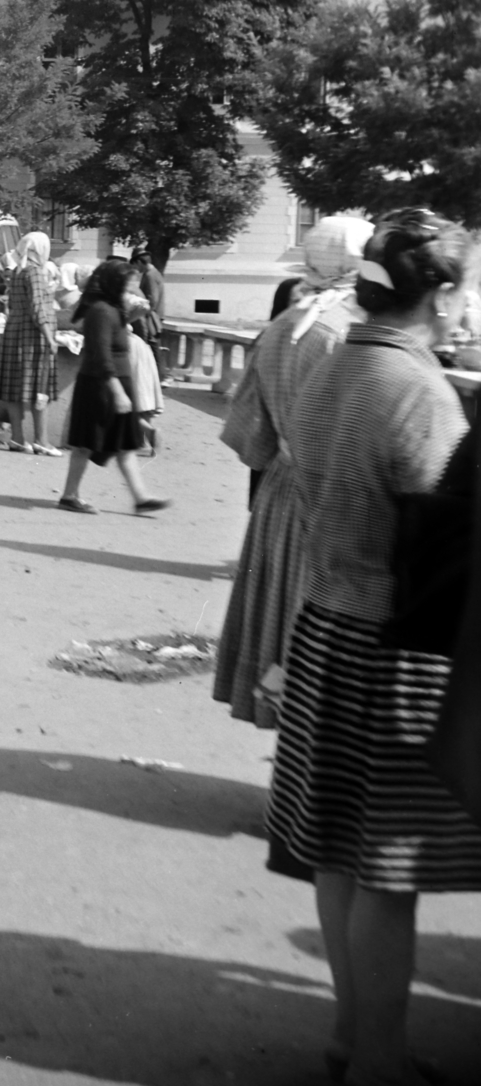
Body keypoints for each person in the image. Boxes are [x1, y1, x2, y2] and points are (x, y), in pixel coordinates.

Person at [266, 210, 479, 1084]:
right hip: (393, 647)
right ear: (437, 292)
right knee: (387, 869)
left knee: (335, 853)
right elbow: (442, 537)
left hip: (322, 626)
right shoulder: (419, 393)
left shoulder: (333, 368)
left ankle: (354, 1034)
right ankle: (381, 1059)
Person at [212, 214, 374, 726]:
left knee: (282, 626)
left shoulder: (286, 324)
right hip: (328, 498)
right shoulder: (351, 335)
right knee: (323, 637)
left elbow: (248, 439)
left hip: (280, 492)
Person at [57, 257, 169, 514]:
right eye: (125, 283)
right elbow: (100, 354)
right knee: (87, 442)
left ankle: (141, 497)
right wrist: (117, 391)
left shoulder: (110, 308)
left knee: (125, 444)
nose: (129, 288)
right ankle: (69, 495)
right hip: (101, 385)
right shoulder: (100, 311)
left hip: (117, 383)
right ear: (112, 283)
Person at [0, 231, 60, 454]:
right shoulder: (34, 272)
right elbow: (37, 308)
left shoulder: (17, 271)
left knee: (15, 388)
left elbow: (15, 304)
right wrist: (50, 337)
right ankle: (42, 440)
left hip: (14, 332)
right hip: (32, 337)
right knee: (38, 389)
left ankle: (18, 438)